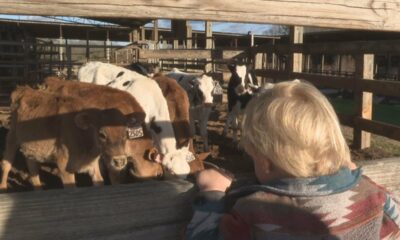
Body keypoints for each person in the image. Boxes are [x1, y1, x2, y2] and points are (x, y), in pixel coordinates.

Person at [185, 80, 400, 239]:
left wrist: (212, 194)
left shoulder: (254, 211)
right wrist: (356, 175)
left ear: (265, 162)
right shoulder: (372, 198)